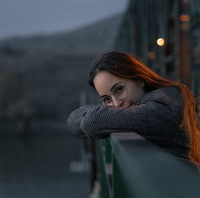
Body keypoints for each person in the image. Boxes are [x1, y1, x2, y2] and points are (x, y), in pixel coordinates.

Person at [67, 51, 200, 165]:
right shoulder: (143, 105)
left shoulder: (163, 106)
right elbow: (72, 121)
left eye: (119, 89)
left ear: (139, 79)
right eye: (107, 99)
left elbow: (92, 122)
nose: (116, 104)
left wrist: (96, 114)